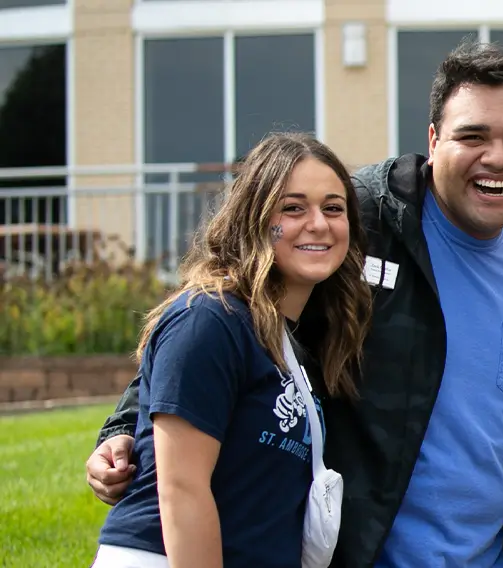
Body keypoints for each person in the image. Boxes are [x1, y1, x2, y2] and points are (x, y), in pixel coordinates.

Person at [87, 42, 503, 568]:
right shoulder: (357, 216)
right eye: (473, 135)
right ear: (434, 140)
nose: (497, 157)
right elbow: (220, 309)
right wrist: (122, 428)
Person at [90, 132, 372, 567]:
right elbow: (182, 488)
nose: (318, 223)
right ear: (254, 218)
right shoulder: (209, 318)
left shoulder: (287, 339)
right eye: (293, 208)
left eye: (333, 208)